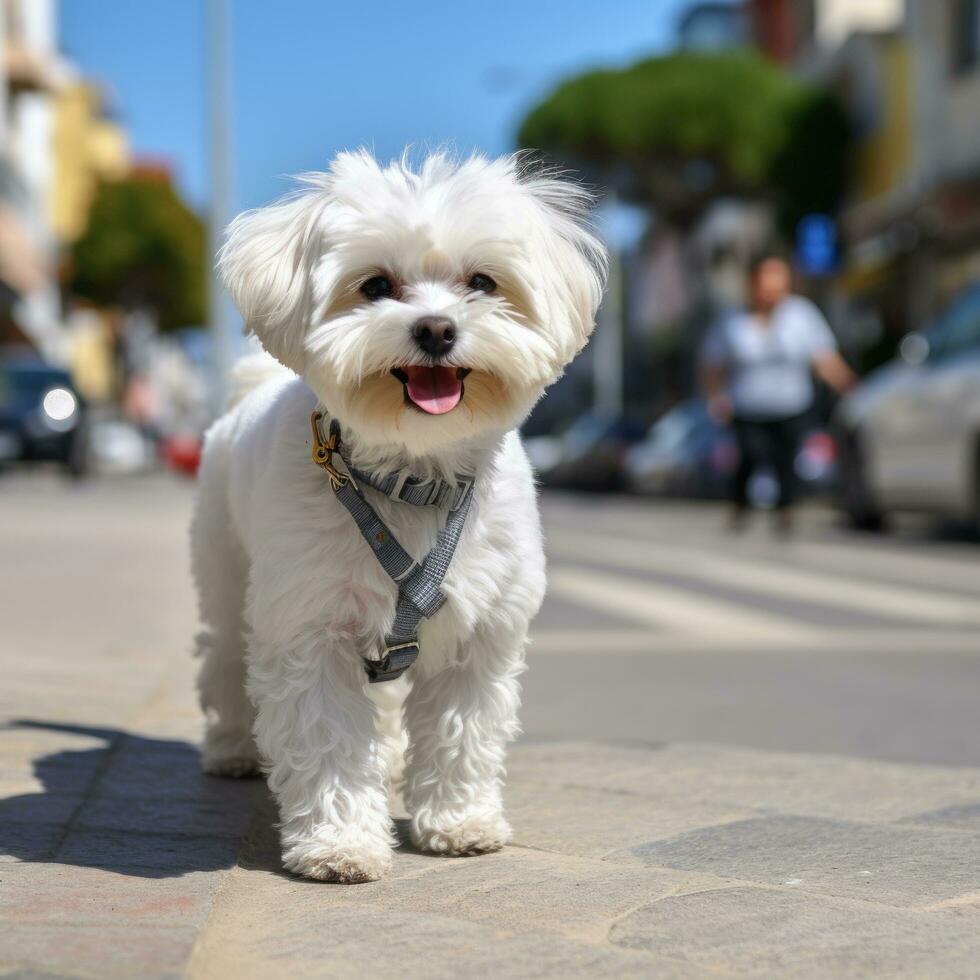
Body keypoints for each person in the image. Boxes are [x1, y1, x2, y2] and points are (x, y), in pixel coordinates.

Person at [701, 251, 856, 533]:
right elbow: (713, 364)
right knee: (750, 455)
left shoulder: (802, 314)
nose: (772, 294)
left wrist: (849, 385)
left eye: (779, 287)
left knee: (786, 461)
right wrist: (716, 397)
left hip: (791, 405)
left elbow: (823, 358)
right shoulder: (732, 320)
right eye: (765, 286)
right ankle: (740, 505)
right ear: (752, 284)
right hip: (747, 406)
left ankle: (785, 512)